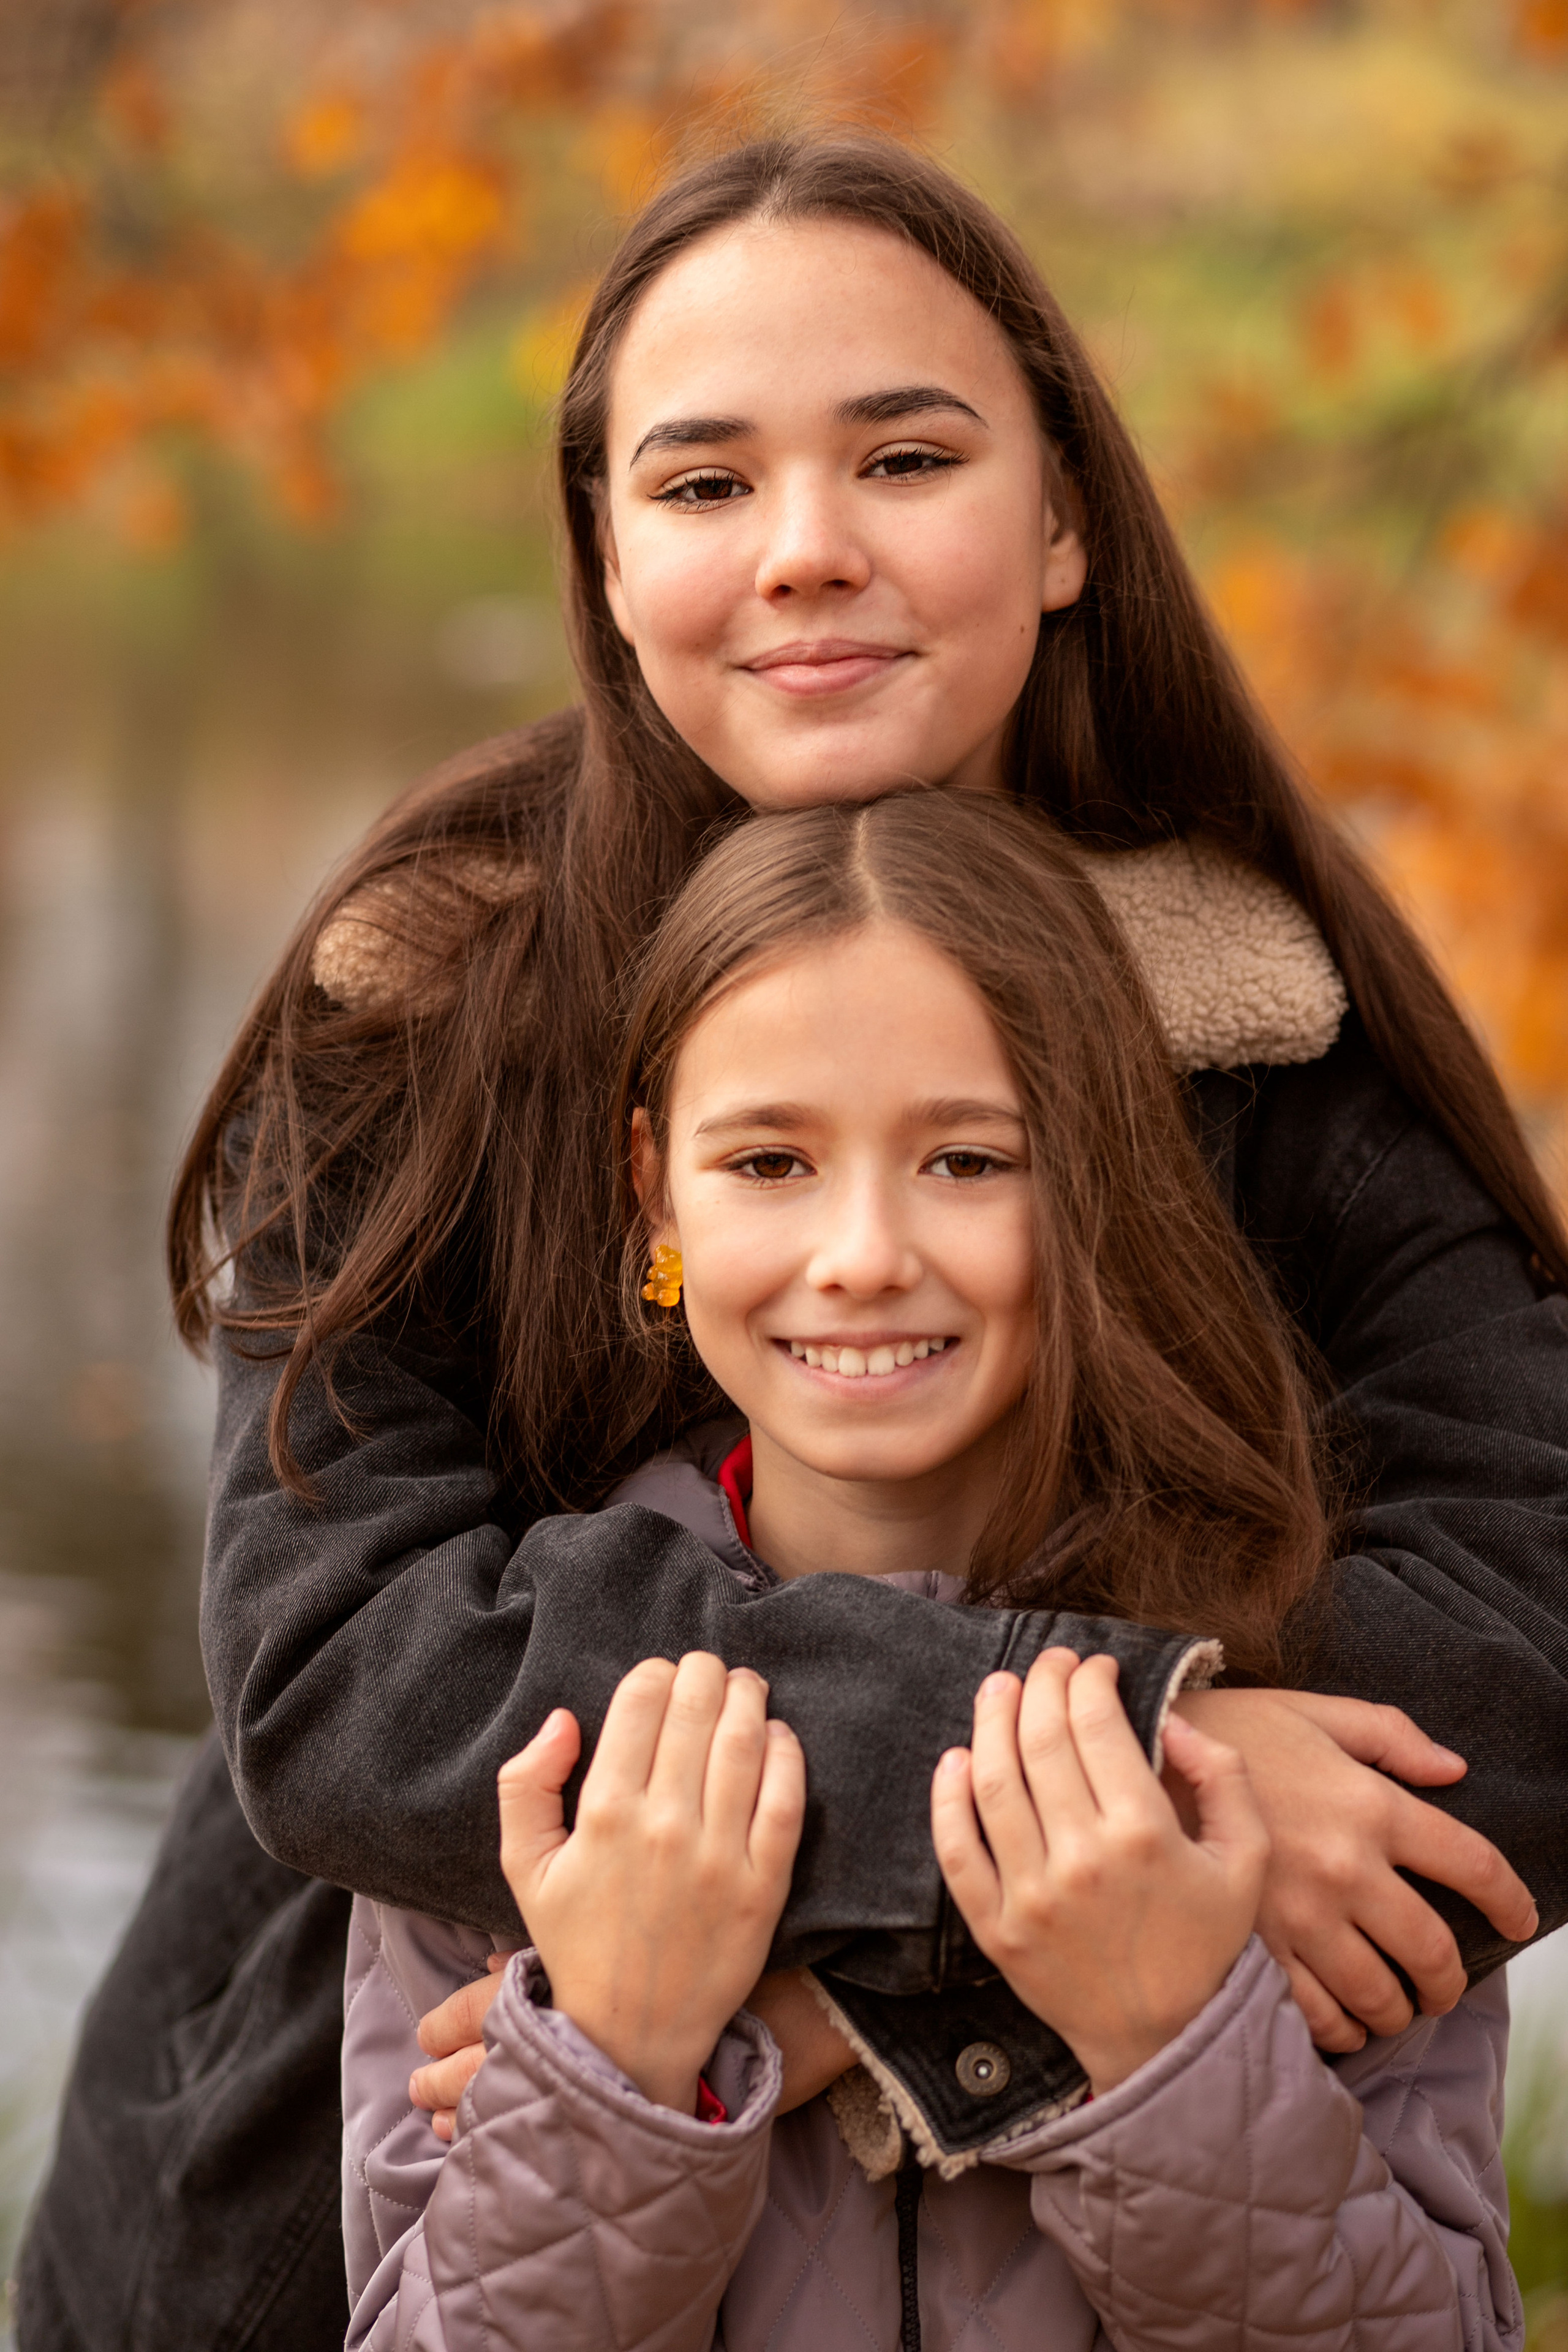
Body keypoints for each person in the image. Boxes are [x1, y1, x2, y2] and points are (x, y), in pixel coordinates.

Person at [15, 132, 1563, 2352]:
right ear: (608, 556)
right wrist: (1123, 1739)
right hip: (337, 2203)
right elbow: (356, 1672)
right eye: (706, 482)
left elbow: (1527, 1647)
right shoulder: (433, 1001)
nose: (808, 553)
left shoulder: (1270, 1015)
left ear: (1059, 523)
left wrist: (825, 2010)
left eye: (904, 457)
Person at [344, 791, 1520, 2351]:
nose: (861, 1254)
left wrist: (1166, 2046)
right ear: (653, 1190)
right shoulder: (552, 1720)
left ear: (1091, 1179)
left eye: (967, 1161)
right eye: (767, 1162)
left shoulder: (1280, 1712)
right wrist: (618, 2070)